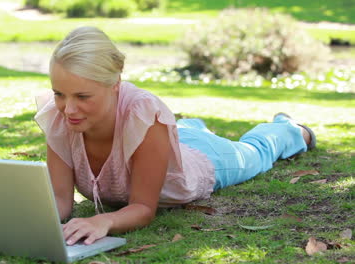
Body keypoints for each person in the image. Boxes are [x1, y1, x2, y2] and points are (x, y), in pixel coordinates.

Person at [34, 26, 316, 246]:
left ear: (115, 84)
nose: (68, 108)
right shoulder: (59, 117)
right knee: (181, 134)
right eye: (60, 94)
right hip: (167, 143)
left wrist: (103, 221)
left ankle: (289, 129)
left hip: (202, 161)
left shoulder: (143, 114)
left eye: (82, 96)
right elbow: (60, 200)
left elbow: (143, 208)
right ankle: (191, 129)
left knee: (256, 152)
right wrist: (25, 222)